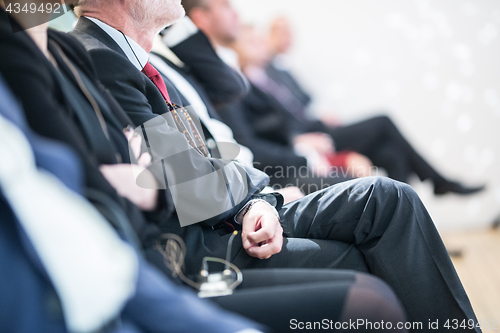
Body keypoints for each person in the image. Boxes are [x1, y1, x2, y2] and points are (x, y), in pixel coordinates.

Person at [67, 0, 481, 331]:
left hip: (234, 204)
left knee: (387, 197)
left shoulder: (135, 57)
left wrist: (258, 198)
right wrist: (256, 198)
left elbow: (206, 151)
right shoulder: (101, 57)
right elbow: (188, 179)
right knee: (372, 242)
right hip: (204, 237)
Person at [185, 0, 484, 196]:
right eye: (225, 5)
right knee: (381, 128)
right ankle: (431, 190)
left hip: (274, 158)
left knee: (390, 155)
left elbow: (258, 133)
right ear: (201, 18)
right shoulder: (213, 75)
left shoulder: (218, 72)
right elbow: (238, 151)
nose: (235, 11)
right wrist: (302, 150)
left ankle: (417, 232)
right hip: (262, 171)